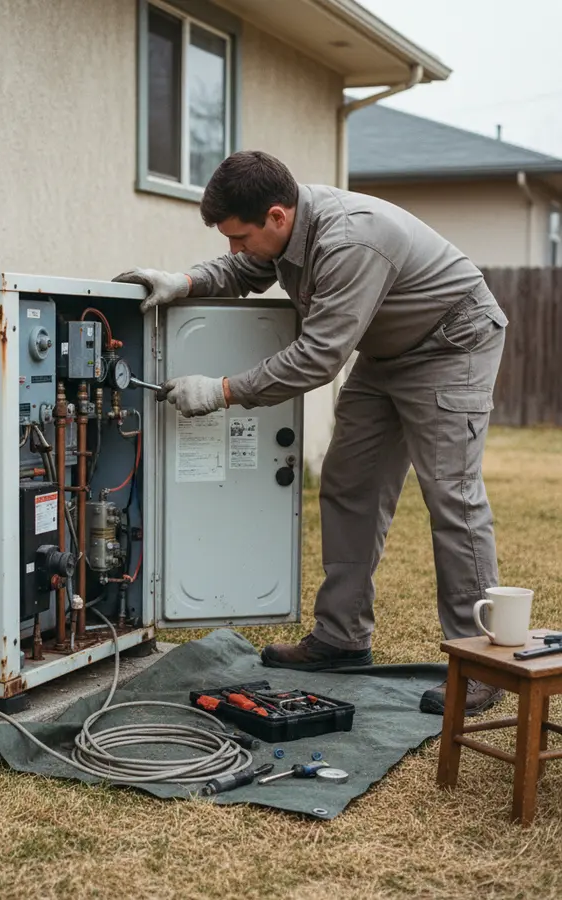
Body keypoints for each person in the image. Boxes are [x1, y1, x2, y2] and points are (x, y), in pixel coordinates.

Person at [113, 150, 508, 716]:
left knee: (451, 494)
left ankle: (482, 664)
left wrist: (221, 391)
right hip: (385, 349)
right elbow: (244, 270)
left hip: (453, 343)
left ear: (277, 216)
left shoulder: (349, 243)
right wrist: (184, 281)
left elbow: (317, 358)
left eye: (240, 235)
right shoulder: (287, 229)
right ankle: (342, 637)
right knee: (350, 483)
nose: (235, 247)